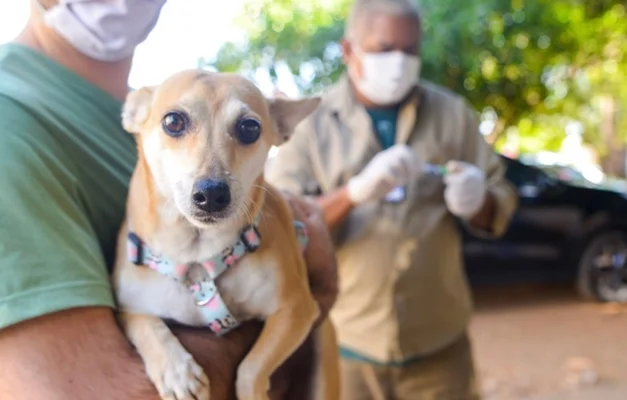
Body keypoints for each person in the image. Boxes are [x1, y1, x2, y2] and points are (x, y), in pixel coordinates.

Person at [0, 1, 337, 399]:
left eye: (246, 130)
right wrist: (319, 287)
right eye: (177, 124)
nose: (210, 177)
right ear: (139, 120)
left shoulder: (137, 107)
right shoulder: (11, 123)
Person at [265, 0, 518, 398]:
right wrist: (352, 193)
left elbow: (500, 201)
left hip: (438, 342)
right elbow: (282, 225)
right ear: (350, 51)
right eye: (384, 49)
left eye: (410, 50)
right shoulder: (310, 124)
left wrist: (479, 200)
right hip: (347, 342)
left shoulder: (453, 115)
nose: (398, 62)